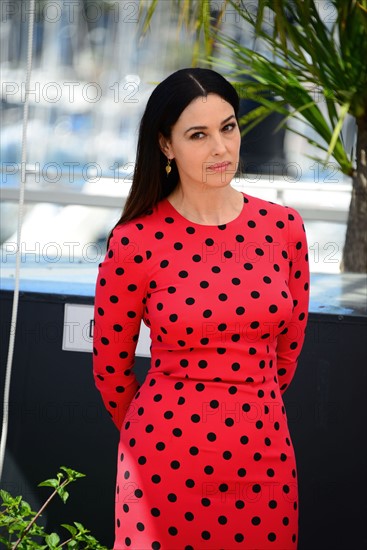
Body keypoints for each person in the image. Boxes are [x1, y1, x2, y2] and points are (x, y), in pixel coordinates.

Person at [93, 67, 310, 550]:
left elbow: (287, 354)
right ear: (166, 146)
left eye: (228, 127)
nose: (221, 148)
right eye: (199, 134)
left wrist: (250, 409)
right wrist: (161, 433)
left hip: (264, 457)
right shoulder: (135, 241)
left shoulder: (284, 228)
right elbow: (111, 371)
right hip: (162, 462)